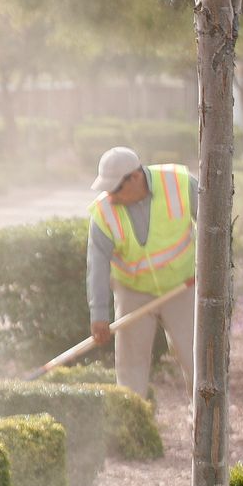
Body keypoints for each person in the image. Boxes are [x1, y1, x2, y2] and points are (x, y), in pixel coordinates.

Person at [86, 146, 198, 397]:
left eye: (115, 189)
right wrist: (99, 314)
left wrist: (212, 272)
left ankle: (205, 425)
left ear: (135, 178)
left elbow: (214, 225)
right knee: (130, 367)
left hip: (183, 286)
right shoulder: (103, 212)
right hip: (133, 291)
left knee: (196, 358)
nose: (110, 197)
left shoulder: (180, 184)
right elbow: (97, 264)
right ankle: (131, 424)